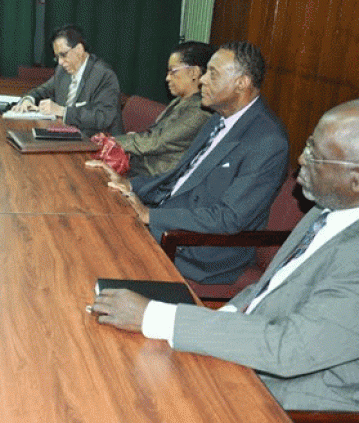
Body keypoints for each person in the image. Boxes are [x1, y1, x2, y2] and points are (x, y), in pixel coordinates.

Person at [92, 99, 359, 412]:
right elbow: (266, 291)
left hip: (291, 394)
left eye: (315, 155)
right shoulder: (327, 210)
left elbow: (289, 348)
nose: (300, 160)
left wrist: (155, 317)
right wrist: (210, 323)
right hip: (251, 344)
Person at [90, 41, 288, 285]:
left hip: (198, 248)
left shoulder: (267, 141)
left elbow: (229, 218)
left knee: (96, 245)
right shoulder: (218, 119)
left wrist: (150, 216)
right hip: (170, 217)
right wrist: (131, 187)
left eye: (212, 73)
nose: (203, 80)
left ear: (242, 83)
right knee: (92, 216)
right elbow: (178, 177)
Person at [87, 41, 215, 176]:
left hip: (152, 180)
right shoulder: (181, 101)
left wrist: (110, 142)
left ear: (194, 72)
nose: (167, 78)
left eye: (173, 71)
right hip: (138, 167)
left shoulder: (200, 110)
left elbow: (155, 142)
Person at [11, 24, 124, 136]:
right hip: (66, 136)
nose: (60, 62)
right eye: (57, 57)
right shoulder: (62, 71)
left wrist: (62, 111)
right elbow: (42, 91)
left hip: (97, 144)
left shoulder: (104, 75)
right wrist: (28, 100)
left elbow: (103, 117)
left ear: (79, 49)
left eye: (63, 55)